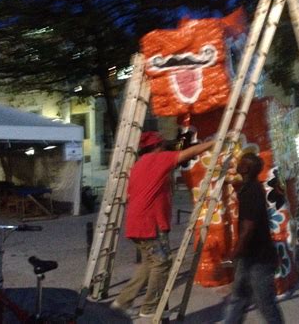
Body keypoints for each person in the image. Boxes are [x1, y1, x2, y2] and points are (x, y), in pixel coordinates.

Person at [111, 131, 215, 318]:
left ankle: (122, 302)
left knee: (148, 264)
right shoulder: (158, 159)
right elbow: (187, 154)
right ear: (158, 147)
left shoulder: (138, 165)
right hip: (151, 224)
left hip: (136, 223)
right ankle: (149, 308)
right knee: (162, 264)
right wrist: (214, 142)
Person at [224, 153, 284, 324]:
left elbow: (248, 227)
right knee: (239, 297)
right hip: (250, 255)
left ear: (246, 168)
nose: (238, 164)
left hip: (259, 258)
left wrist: (234, 252)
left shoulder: (252, 191)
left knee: (264, 303)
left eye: (241, 163)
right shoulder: (249, 187)